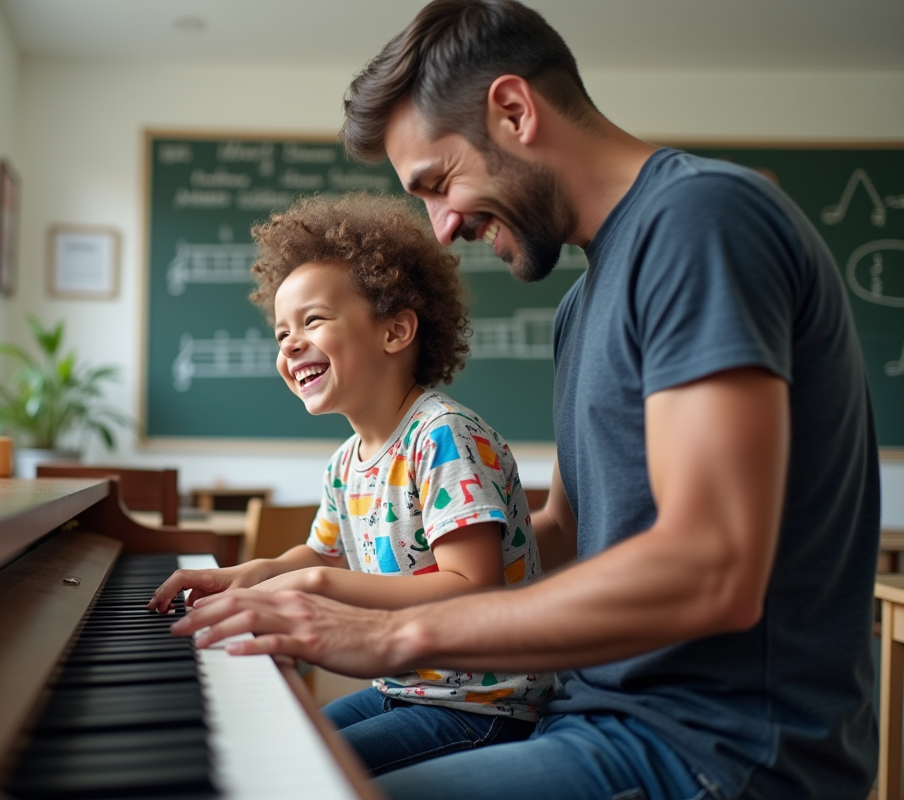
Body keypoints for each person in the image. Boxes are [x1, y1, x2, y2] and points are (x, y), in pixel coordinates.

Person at [167, 2, 882, 799]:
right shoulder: (583, 305)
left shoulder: (700, 219)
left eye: (439, 184)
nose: (440, 229)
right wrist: (289, 581)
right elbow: (561, 533)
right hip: (593, 715)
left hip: (719, 753)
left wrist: (393, 629)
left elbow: (709, 568)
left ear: (513, 111)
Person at [148, 191, 551, 774]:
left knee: (297, 769)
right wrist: (243, 574)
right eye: (281, 330)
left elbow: (471, 583)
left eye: (312, 320)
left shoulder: (443, 435)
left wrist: (315, 582)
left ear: (395, 331)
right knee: (277, 742)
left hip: (485, 703)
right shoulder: (345, 463)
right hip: (409, 688)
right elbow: (321, 550)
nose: (288, 342)